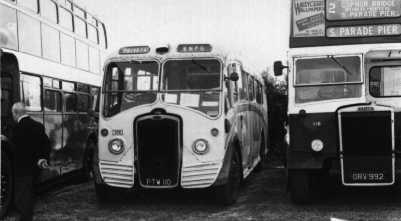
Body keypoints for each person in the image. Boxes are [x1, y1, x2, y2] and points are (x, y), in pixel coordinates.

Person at [10, 102, 50, 221]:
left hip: (22, 169)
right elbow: (46, 144)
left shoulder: (16, 128)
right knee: (30, 195)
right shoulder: (38, 125)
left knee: (21, 198)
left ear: (16, 113)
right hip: (36, 168)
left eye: (12, 113)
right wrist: (43, 158)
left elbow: (15, 149)